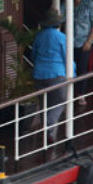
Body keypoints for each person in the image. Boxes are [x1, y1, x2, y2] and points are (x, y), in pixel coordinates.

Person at [31, 8, 70, 148]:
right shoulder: (61, 37)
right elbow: (67, 57)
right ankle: (49, 130)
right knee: (61, 100)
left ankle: (48, 132)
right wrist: (73, 74)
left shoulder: (39, 36)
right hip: (56, 74)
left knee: (44, 104)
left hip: (39, 75)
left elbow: (33, 55)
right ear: (58, 24)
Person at [67, 0, 93, 107]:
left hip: (84, 42)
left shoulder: (90, 5)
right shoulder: (68, 3)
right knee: (69, 68)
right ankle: (69, 94)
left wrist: (89, 41)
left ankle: (80, 94)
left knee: (82, 68)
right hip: (70, 41)